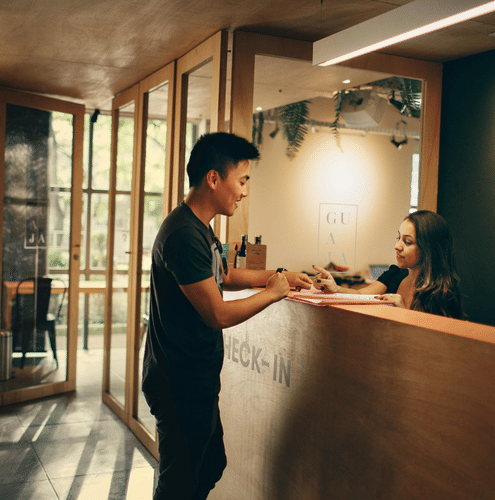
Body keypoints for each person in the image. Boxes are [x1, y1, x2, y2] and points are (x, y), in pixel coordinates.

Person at [142, 132, 312, 500]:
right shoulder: (184, 234)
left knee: (210, 465)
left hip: (194, 379)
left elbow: (227, 276)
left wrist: (279, 276)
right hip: (179, 382)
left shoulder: (199, 228)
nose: (244, 191)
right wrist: (271, 294)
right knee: (180, 486)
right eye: (242, 180)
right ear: (214, 179)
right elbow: (216, 314)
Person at [313, 210, 463, 319]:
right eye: (398, 238)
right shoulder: (394, 274)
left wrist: (402, 311)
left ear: (428, 249)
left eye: (407, 242)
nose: (397, 246)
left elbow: (435, 343)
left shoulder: (443, 293)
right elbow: (360, 295)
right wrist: (336, 288)